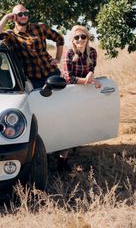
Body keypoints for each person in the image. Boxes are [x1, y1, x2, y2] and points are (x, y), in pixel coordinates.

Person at [57, 25, 101, 172]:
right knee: (67, 125)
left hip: (82, 93)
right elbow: (68, 77)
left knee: (77, 124)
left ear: (87, 38)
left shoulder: (92, 52)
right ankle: (62, 161)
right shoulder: (69, 53)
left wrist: (91, 75)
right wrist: (87, 81)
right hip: (68, 93)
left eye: (83, 36)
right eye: (77, 37)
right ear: (73, 40)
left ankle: (69, 150)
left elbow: (91, 69)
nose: (80, 39)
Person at [0, 4, 64, 89]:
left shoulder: (39, 27)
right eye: (20, 14)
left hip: (51, 73)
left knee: (58, 101)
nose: (24, 16)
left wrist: (58, 58)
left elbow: (59, 39)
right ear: (14, 17)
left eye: (25, 13)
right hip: (33, 80)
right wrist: (6, 17)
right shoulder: (11, 35)